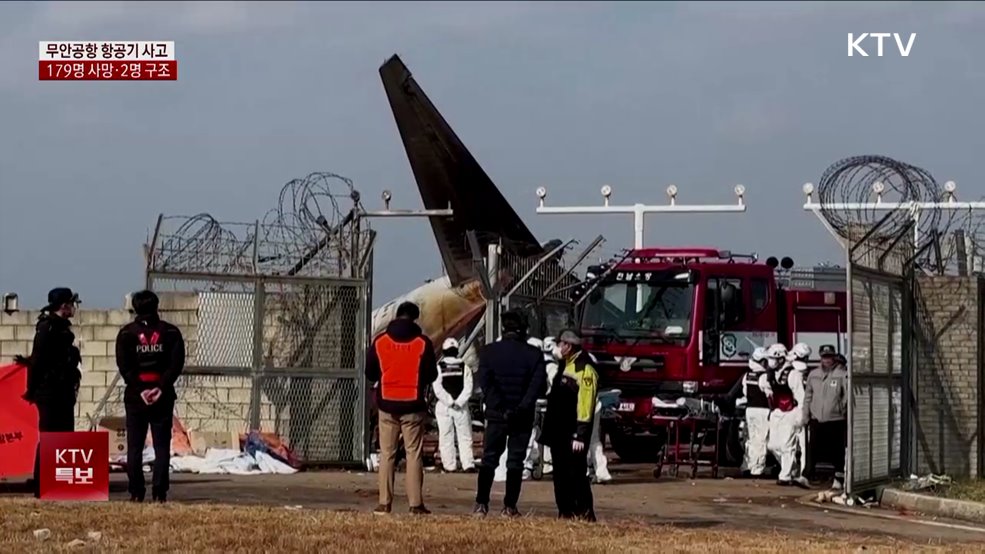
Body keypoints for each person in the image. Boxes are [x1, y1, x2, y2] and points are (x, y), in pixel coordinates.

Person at [366, 301, 438, 515]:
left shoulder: (380, 342)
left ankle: (384, 502)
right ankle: (415, 504)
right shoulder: (422, 343)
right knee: (413, 453)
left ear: (396, 316)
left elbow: (370, 372)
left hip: (387, 403)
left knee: (386, 454)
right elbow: (431, 374)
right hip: (413, 404)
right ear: (415, 318)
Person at [473, 311, 546, 518]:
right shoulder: (533, 354)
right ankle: (509, 506)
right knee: (515, 461)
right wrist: (521, 408)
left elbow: (486, 384)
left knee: (489, 460)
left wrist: (501, 407)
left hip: (496, 415)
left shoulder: (488, 352)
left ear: (503, 328)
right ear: (524, 329)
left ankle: (481, 504)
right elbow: (536, 387)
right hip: (522, 417)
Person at [115, 290, 185, 503]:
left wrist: (139, 389)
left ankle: (136, 492)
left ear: (135, 308)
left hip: (136, 397)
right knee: (162, 446)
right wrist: (161, 387)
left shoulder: (127, 334)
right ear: (157, 306)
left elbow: (124, 366)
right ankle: (159, 492)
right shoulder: (171, 332)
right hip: (162, 396)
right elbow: (176, 364)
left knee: (135, 446)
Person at [21, 288, 82, 499]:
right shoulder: (48, 328)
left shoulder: (60, 329)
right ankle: (42, 486)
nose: (74, 307)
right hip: (50, 393)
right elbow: (36, 361)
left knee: (64, 438)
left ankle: (58, 484)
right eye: (72, 303)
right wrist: (32, 390)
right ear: (64, 306)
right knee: (49, 438)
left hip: (62, 392)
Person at [542, 329, 598, 521]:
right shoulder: (564, 365)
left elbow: (586, 403)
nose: (559, 347)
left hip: (573, 433)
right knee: (560, 474)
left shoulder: (584, 368)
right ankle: (565, 511)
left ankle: (584, 512)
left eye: (562, 344)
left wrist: (580, 434)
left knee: (576, 474)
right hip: (558, 431)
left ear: (569, 346)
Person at [760, 343, 809, 489]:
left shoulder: (793, 374)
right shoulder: (769, 375)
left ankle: (785, 475)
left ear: (781, 359)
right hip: (777, 412)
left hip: (791, 412)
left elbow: (801, 397)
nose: (771, 362)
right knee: (772, 445)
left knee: (788, 444)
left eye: (773, 359)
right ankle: (792, 468)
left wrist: (801, 417)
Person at [804, 344, 848, 490]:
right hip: (817, 418)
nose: (827, 360)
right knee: (813, 448)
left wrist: (841, 408)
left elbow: (846, 395)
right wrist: (806, 415)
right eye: (824, 356)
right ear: (820, 357)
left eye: (829, 357)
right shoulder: (813, 374)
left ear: (834, 357)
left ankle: (838, 478)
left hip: (836, 419)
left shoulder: (842, 374)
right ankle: (808, 475)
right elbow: (808, 396)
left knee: (837, 450)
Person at [433, 337, 475, 473]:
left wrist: (449, 401)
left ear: (444, 352)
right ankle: (468, 464)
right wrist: (459, 402)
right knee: (465, 436)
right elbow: (469, 386)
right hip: (461, 408)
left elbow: (437, 387)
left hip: (444, 407)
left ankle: (449, 465)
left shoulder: (439, 367)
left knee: (446, 436)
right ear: (457, 351)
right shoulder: (465, 367)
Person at [738, 346, 770, 479]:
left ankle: (747, 465)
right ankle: (757, 469)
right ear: (762, 361)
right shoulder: (764, 377)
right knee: (761, 440)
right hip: (762, 410)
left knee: (750, 439)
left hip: (749, 410)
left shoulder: (747, 376)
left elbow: (745, 392)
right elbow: (769, 394)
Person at [786, 342, 812, 479]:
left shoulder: (792, 373)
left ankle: (796, 471)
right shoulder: (806, 374)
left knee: (792, 444)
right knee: (803, 445)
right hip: (802, 410)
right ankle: (801, 471)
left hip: (795, 410)